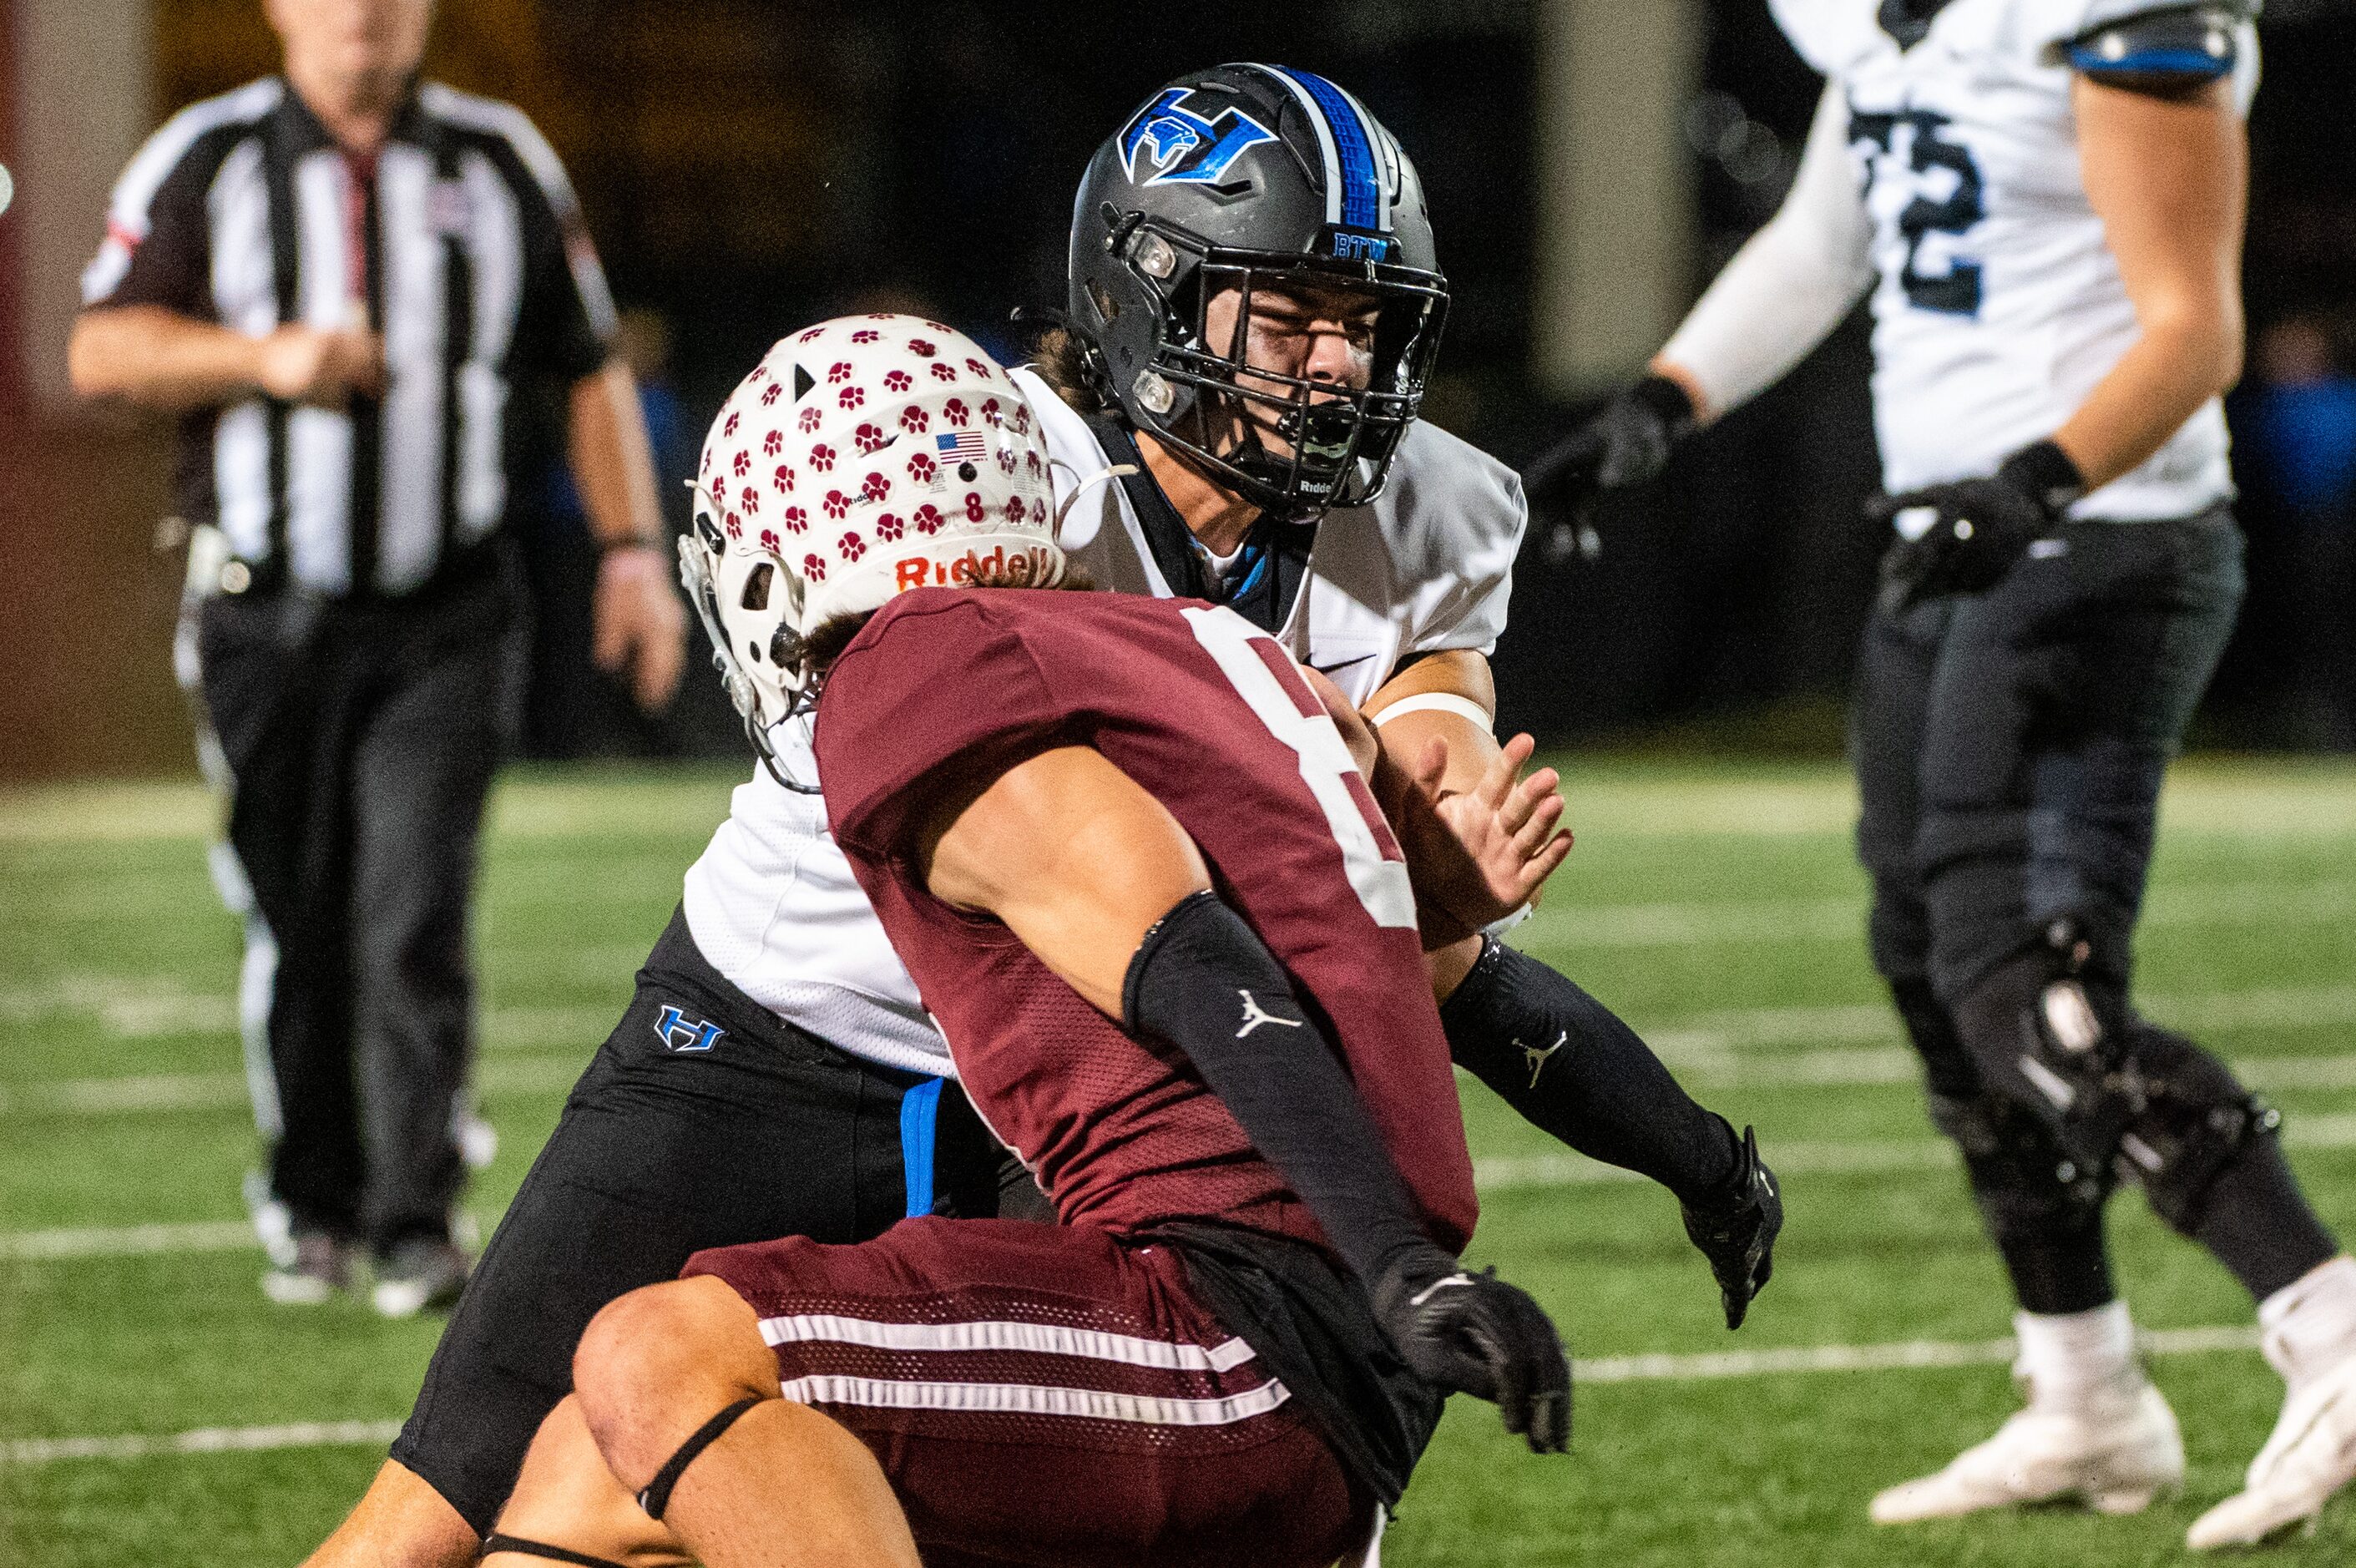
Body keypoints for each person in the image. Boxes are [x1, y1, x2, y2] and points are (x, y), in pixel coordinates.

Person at [303, 68, 1777, 1568]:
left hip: (1091, 1067)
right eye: (1285, 316)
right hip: (792, 1024)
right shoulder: (978, 473)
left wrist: (1443, 865)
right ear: (1142, 301)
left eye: (1364, 318)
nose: (1335, 366)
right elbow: (1184, 905)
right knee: (472, 1495)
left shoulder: (1429, 511)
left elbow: (1390, 884)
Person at [478, 312, 1573, 1568]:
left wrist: (1399, 1268)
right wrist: (1708, 1166)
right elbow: (1467, 984)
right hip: (1252, 1315)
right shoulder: (1211, 654)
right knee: (582, 1469)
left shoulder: (919, 671)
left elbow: (1202, 973)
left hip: (1233, 1335)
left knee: (651, 1354)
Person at [1525, 0, 2356, 1546]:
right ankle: (2086, 1386)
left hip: (2091, 542)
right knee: (1923, 965)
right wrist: (1657, 407)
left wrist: (2032, 479)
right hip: (1954, 538)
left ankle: (2324, 1319)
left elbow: (2194, 326)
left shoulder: (2087, 11)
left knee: (2014, 979)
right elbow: (1819, 242)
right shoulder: (1883, 26)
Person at [66, 0, 685, 1316]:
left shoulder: (498, 156)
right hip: (260, 610)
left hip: (443, 613)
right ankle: (313, 1198)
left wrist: (634, 552)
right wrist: (262, 358)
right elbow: (101, 348)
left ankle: (415, 1215)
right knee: (296, 917)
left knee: (411, 913)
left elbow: (584, 368)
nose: (366, 12)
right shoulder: (209, 153)